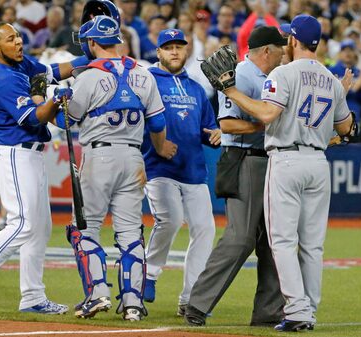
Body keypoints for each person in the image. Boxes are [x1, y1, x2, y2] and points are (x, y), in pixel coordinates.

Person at [212, 15, 355, 331]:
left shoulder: (282, 72)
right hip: (318, 163)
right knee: (313, 244)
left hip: (287, 161)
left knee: (282, 240)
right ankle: (309, 310)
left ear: (293, 40)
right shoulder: (331, 81)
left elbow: (267, 113)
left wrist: (231, 91)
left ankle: (297, 312)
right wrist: (340, 95)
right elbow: (347, 128)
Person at [0, 21, 90, 315]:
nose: (18, 42)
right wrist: (56, 99)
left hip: (29, 154)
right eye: (11, 39)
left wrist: (89, 58)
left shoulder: (15, 63)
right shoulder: (2, 76)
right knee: (23, 224)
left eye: (17, 37)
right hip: (14, 154)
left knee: (40, 229)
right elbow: (33, 117)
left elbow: (49, 72)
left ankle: (32, 296)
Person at [65, 15, 173, 322]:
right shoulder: (142, 73)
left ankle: (97, 292)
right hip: (133, 158)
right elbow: (158, 123)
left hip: (99, 158)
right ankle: (132, 304)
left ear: (93, 42)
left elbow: (66, 119)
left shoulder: (87, 77)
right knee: (130, 233)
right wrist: (160, 148)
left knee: (84, 228)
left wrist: (44, 101)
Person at [184, 26, 286, 327]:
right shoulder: (240, 75)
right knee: (241, 238)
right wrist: (268, 128)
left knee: (271, 242)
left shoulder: (270, 77)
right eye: (279, 47)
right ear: (266, 50)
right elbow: (228, 124)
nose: (284, 51)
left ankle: (268, 313)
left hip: (268, 160)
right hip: (243, 159)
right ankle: (197, 304)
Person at [142, 28, 220, 317]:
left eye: (179, 46)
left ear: (186, 51)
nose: (174, 51)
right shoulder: (148, 81)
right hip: (159, 167)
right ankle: (148, 274)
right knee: (171, 220)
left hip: (194, 170)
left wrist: (213, 134)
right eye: (168, 47)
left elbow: (205, 126)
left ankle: (191, 298)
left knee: (205, 230)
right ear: (159, 52)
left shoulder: (196, 88)